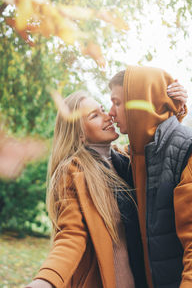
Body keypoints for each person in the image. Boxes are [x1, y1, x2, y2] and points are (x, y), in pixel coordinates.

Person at [25, 90, 148, 288]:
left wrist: (175, 108)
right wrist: (45, 281)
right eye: (95, 116)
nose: (107, 116)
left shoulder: (127, 162)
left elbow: (161, 145)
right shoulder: (73, 172)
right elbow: (71, 234)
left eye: (101, 110)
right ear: (80, 134)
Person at [108, 66, 192, 288]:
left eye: (117, 103)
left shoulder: (188, 151)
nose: (110, 112)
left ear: (140, 100)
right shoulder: (135, 156)